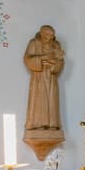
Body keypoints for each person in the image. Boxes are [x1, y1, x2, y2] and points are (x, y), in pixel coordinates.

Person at [23, 24, 66, 160]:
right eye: (48, 35)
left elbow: (60, 62)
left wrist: (54, 63)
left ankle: (52, 126)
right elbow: (27, 59)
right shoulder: (33, 43)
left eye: (52, 35)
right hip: (38, 78)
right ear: (41, 33)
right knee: (38, 102)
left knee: (51, 101)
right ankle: (36, 125)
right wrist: (42, 58)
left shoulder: (56, 45)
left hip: (51, 78)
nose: (50, 38)